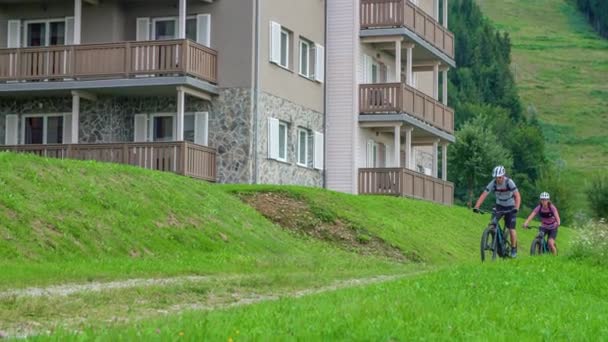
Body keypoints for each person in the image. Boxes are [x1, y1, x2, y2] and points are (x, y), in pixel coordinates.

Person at [473, 165, 521, 257]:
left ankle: (514, 249)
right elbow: (484, 194)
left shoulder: (509, 182)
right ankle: (493, 241)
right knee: (492, 224)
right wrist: (477, 206)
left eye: (499, 177)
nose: (498, 179)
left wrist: (516, 207)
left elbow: (517, 196)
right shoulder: (493, 183)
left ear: (503, 176)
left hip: (511, 207)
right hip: (499, 206)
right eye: (496, 178)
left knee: (511, 229)